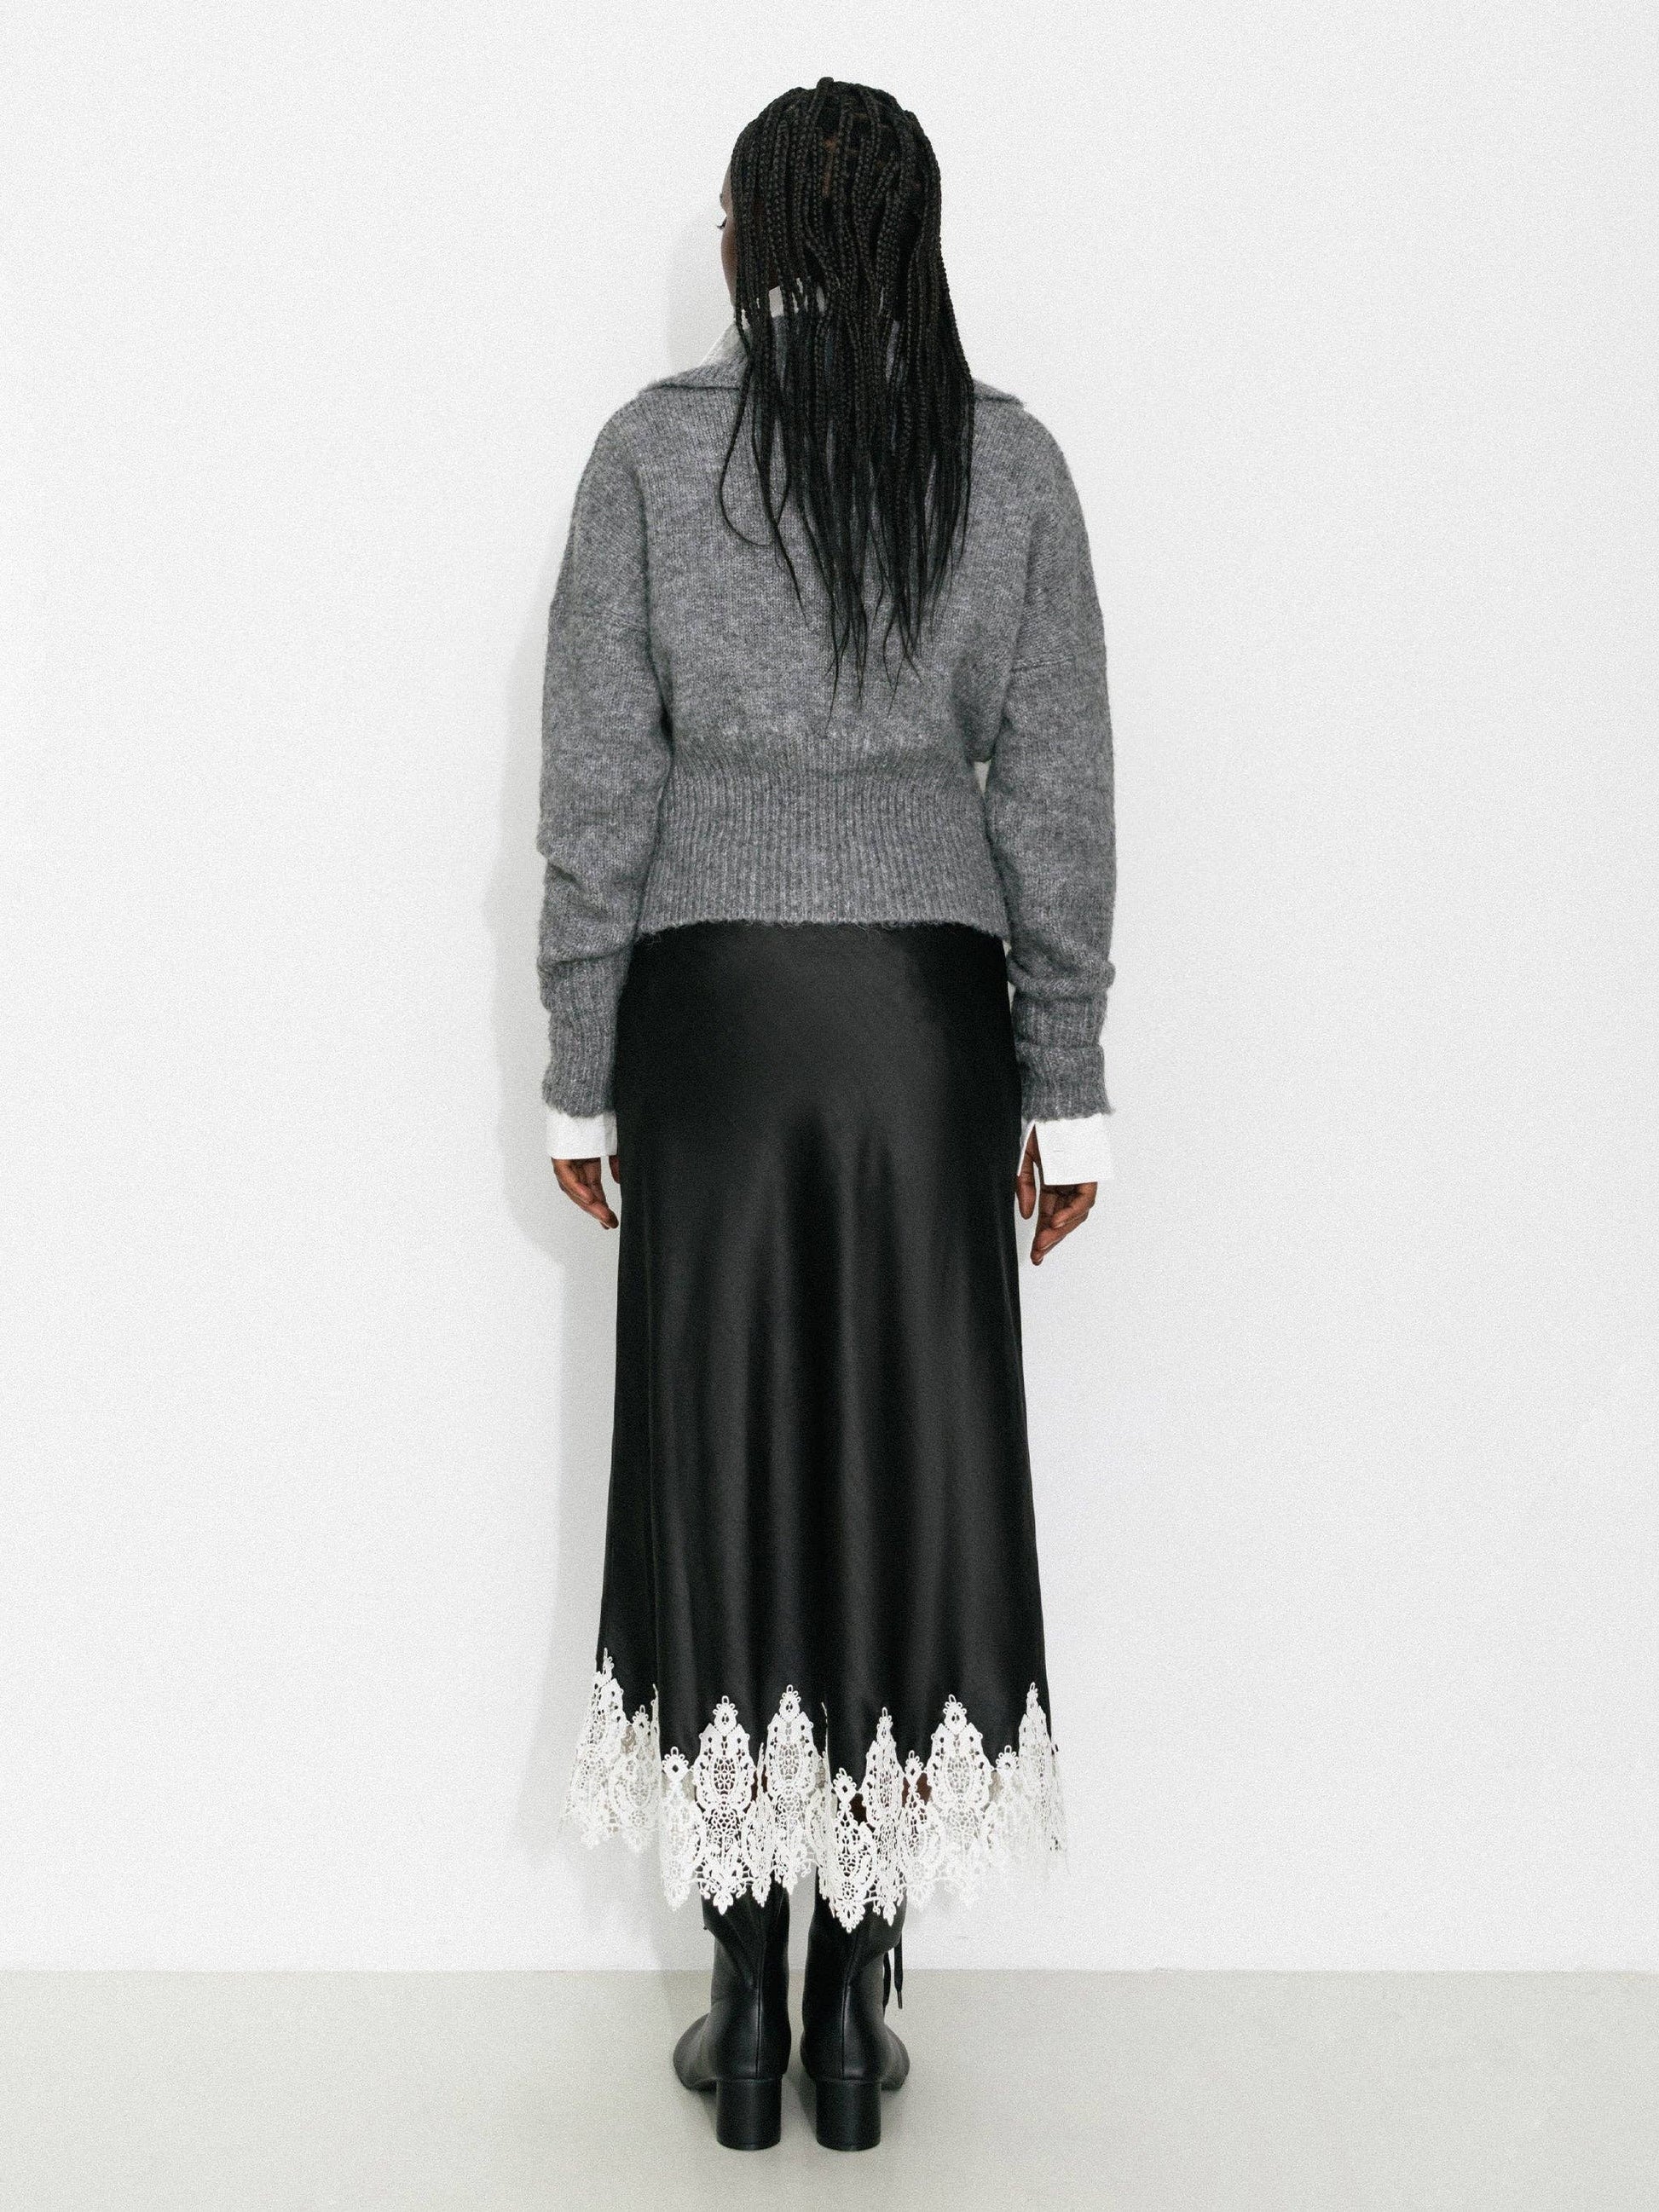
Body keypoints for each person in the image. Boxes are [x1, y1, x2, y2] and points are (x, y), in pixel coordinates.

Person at [537, 78, 1116, 2152]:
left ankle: (743, 1984)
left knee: (717, 1454)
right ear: (915, 241)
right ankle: (861, 2001)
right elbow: (1057, 790)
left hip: (711, 1019)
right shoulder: (1006, 460)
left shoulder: (650, 454)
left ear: (742, 238)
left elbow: (600, 780)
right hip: (918, 1026)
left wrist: (580, 1052)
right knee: (904, 1460)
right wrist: (1063, 1082)